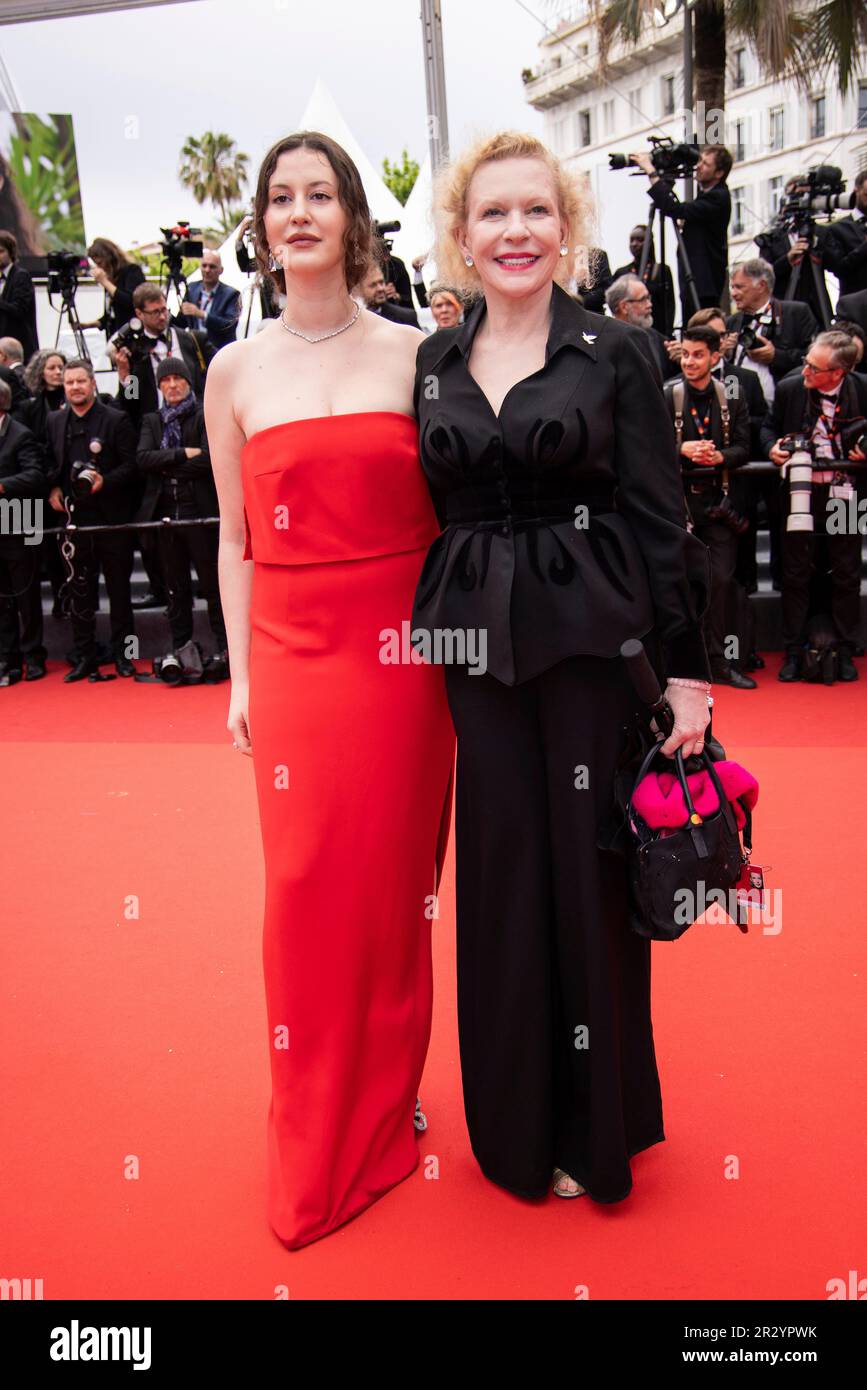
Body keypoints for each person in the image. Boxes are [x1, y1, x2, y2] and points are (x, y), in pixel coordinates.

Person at [410, 130, 711, 1204]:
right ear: (461, 236)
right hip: (475, 654)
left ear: (566, 226)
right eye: (493, 214)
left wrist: (688, 672)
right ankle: (513, 1128)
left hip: (592, 642)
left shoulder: (613, 350)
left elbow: (657, 513)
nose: (515, 232)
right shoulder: (435, 361)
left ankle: (593, 1127)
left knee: (585, 876)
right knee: (499, 877)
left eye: (535, 211)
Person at [203, 130, 455, 1251]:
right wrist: (241, 677)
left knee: (397, 887)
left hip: (406, 653)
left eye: (319, 195)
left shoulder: (418, 355)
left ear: (353, 218)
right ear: (261, 225)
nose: (298, 212)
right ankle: (315, 1118)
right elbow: (231, 536)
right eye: (278, 197)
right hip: (295, 652)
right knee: (305, 888)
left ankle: (391, 1092)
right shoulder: (233, 370)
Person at [761, 330, 866, 681]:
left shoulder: (862, 389)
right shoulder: (791, 389)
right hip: (800, 494)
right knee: (795, 571)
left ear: (839, 373)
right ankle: (793, 648)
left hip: (847, 493)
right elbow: (767, 429)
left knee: (847, 571)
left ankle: (847, 647)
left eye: (813, 369)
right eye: (806, 363)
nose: (804, 372)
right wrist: (772, 449)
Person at [664, 325, 753, 689]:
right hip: (678, 506)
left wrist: (719, 455)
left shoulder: (731, 395)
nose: (689, 361)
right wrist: (681, 450)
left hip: (718, 505)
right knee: (678, 586)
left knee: (720, 584)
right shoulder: (669, 394)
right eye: (685, 354)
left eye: (698, 354)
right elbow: (644, 446)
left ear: (716, 357)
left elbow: (746, 447)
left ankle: (719, 662)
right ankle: (679, 665)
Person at [45, 359, 139, 682]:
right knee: (79, 596)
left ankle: (127, 657)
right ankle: (85, 658)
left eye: (81, 381)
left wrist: (105, 482)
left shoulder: (117, 419)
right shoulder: (55, 422)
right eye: (69, 382)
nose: (74, 387)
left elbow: (132, 467)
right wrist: (54, 487)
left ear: (93, 383)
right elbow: (50, 463)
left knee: (120, 595)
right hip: (74, 523)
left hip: (112, 522)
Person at [135, 356, 228, 675]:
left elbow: (210, 458)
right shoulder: (152, 420)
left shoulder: (204, 414)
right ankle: (182, 648)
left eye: (178, 379)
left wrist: (167, 466)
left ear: (189, 382)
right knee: (175, 589)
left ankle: (226, 649)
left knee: (214, 586)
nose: (172, 385)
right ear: (159, 386)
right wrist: (180, 455)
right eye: (166, 380)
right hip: (165, 517)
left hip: (200, 513)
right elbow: (144, 459)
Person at [630, 144, 732, 325]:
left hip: (703, 282)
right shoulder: (708, 195)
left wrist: (651, 172)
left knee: (699, 327)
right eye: (700, 160)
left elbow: (674, 209)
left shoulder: (718, 196)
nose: (698, 166)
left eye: (706, 164)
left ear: (719, 173)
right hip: (695, 277)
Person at [0, 378, 48, 684]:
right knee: (2, 596)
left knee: (25, 595)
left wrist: (3, 485)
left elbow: (35, 475)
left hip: (20, 523)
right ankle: (9, 657)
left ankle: (33, 655)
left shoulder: (20, 435)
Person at [726, 259, 817, 408]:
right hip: (736, 402)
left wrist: (776, 356)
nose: (733, 293)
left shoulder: (795, 313)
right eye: (732, 287)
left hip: (781, 404)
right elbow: (724, 369)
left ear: (761, 286)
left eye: (739, 287)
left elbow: (813, 357)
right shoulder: (731, 322)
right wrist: (726, 354)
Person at [754, 177, 832, 328]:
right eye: (798, 195)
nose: (803, 201)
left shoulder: (821, 233)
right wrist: (787, 259)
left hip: (817, 311)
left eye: (807, 196)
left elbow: (838, 266)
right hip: (784, 310)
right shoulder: (772, 238)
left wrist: (819, 246)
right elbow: (763, 277)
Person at [604, 273, 678, 385]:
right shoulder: (606, 342)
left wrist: (681, 359)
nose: (649, 304)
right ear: (624, 307)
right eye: (643, 299)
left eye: (648, 298)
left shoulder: (658, 339)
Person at [612, 223, 676, 336]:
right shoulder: (621, 273)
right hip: (628, 334)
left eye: (639, 240)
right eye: (631, 240)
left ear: (649, 243)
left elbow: (670, 306)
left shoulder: (662, 270)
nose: (634, 244)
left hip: (657, 333)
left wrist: (668, 335)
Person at [77, 237, 146, 338]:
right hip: (115, 337)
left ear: (110, 258)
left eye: (100, 263)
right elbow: (112, 314)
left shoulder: (131, 271)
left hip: (133, 336)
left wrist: (104, 282)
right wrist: (90, 325)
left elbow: (130, 301)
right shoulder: (111, 279)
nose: (100, 268)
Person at [177, 249, 241, 351]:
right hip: (196, 349)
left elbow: (229, 325)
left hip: (220, 350)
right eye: (204, 265)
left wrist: (202, 314)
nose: (207, 270)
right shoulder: (192, 288)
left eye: (212, 266)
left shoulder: (231, 294)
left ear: (221, 270)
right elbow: (182, 321)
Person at [824, 169, 867, 298]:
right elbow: (838, 269)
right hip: (856, 306)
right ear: (856, 192)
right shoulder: (837, 229)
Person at [0, 230, 38, 363]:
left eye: (1, 251)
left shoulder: (20, 276)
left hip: (19, 349)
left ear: (10, 252)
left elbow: (19, 310)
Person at [357, 260, 420, 326]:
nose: (380, 288)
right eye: (373, 285)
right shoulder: (350, 321)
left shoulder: (406, 317)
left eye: (381, 282)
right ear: (357, 290)